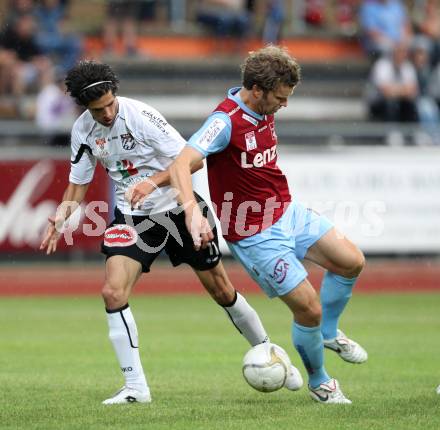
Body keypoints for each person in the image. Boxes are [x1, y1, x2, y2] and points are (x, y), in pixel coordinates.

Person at [39, 60, 303, 405]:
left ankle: (270, 353)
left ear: (114, 94)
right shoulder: (82, 131)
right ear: (85, 108)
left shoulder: (141, 117)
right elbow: (78, 184)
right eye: (97, 109)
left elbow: (188, 160)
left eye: (109, 105)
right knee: (112, 293)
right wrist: (62, 216)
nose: (106, 114)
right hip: (133, 219)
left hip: (179, 209)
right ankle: (136, 388)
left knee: (223, 290)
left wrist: (157, 187)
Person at [163, 46, 368, 404]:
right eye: (280, 98)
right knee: (308, 308)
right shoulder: (223, 121)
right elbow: (184, 162)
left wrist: (152, 181)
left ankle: (330, 333)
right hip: (254, 234)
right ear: (257, 90)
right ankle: (320, 383)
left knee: (352, 261)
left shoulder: (261, 103)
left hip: (287, 211)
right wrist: (191, 211)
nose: (284, 105)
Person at [366, 42, 419, 123]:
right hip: (378, 102)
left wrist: (394, 90)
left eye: (403, 52)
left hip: (401, 101)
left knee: (411, 103)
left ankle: (412, 131)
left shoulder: (408, 66)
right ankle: (391, 131)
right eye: (399, 52)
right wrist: (403, 90)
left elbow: (412, 91)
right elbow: (385, 92)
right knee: (391, 103)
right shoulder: (382, 65)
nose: (401, 55)